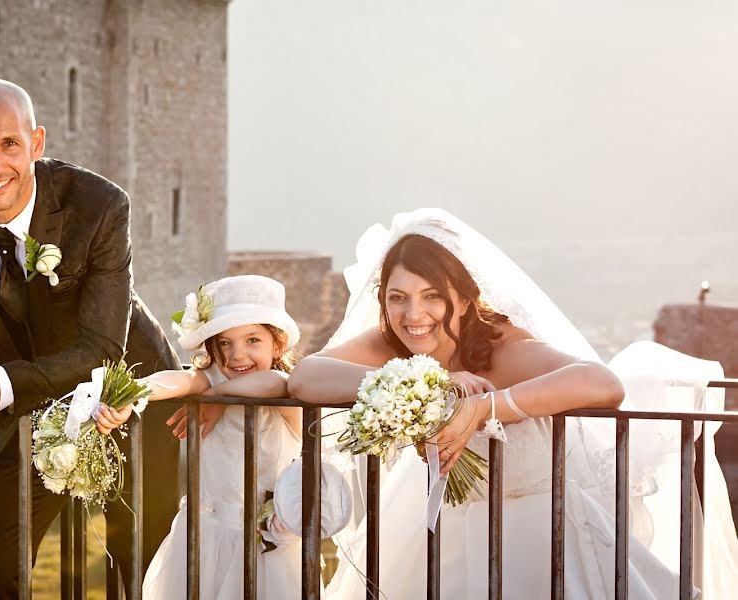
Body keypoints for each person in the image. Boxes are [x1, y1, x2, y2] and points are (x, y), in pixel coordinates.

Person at [288, 209, 738, 598]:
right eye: (398, 298)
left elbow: (602, 383)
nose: (413, 315)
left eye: (431, 296)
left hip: (538, 536)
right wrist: (422, 385)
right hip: (435, 531)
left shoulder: (500, 345)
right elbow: (307, 377)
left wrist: (485, 408)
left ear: (463, 299)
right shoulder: (394, 346)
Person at [0, 78, 180, 597]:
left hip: (123, 397)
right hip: (25, 411)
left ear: (37, 144)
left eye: (9, 145)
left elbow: (101, 348)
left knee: (142, 568)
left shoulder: (99, 206)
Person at [107, 274, 305, 599]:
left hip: (262, 541)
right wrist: (137, 391)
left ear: (278, 344)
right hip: (204, 535)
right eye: (225, 342)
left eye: (252, 340)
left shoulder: (284, 390)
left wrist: (219, 397)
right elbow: (179, 380)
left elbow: (272, 383)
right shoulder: (209, 378)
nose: (237, 355)